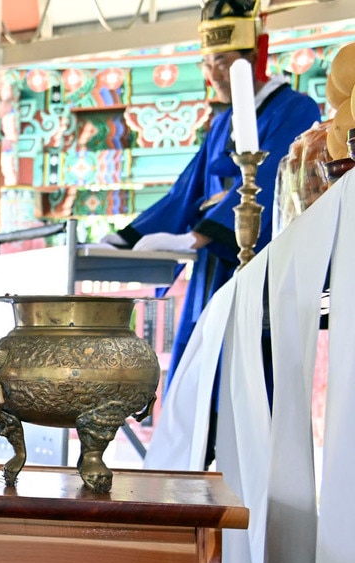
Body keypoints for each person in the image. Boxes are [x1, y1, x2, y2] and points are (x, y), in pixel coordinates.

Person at [97, 0, 319, 385]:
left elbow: (270, 181)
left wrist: (200, 235)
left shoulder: (296, 109)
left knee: (247, 382)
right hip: (211, 268)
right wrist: (127, 238)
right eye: (208, 62)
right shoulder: (222, 124)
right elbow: (185, 191)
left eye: (224, 61)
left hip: (261, 270)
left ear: (255, 56)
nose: (213, 73)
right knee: (195, 378)